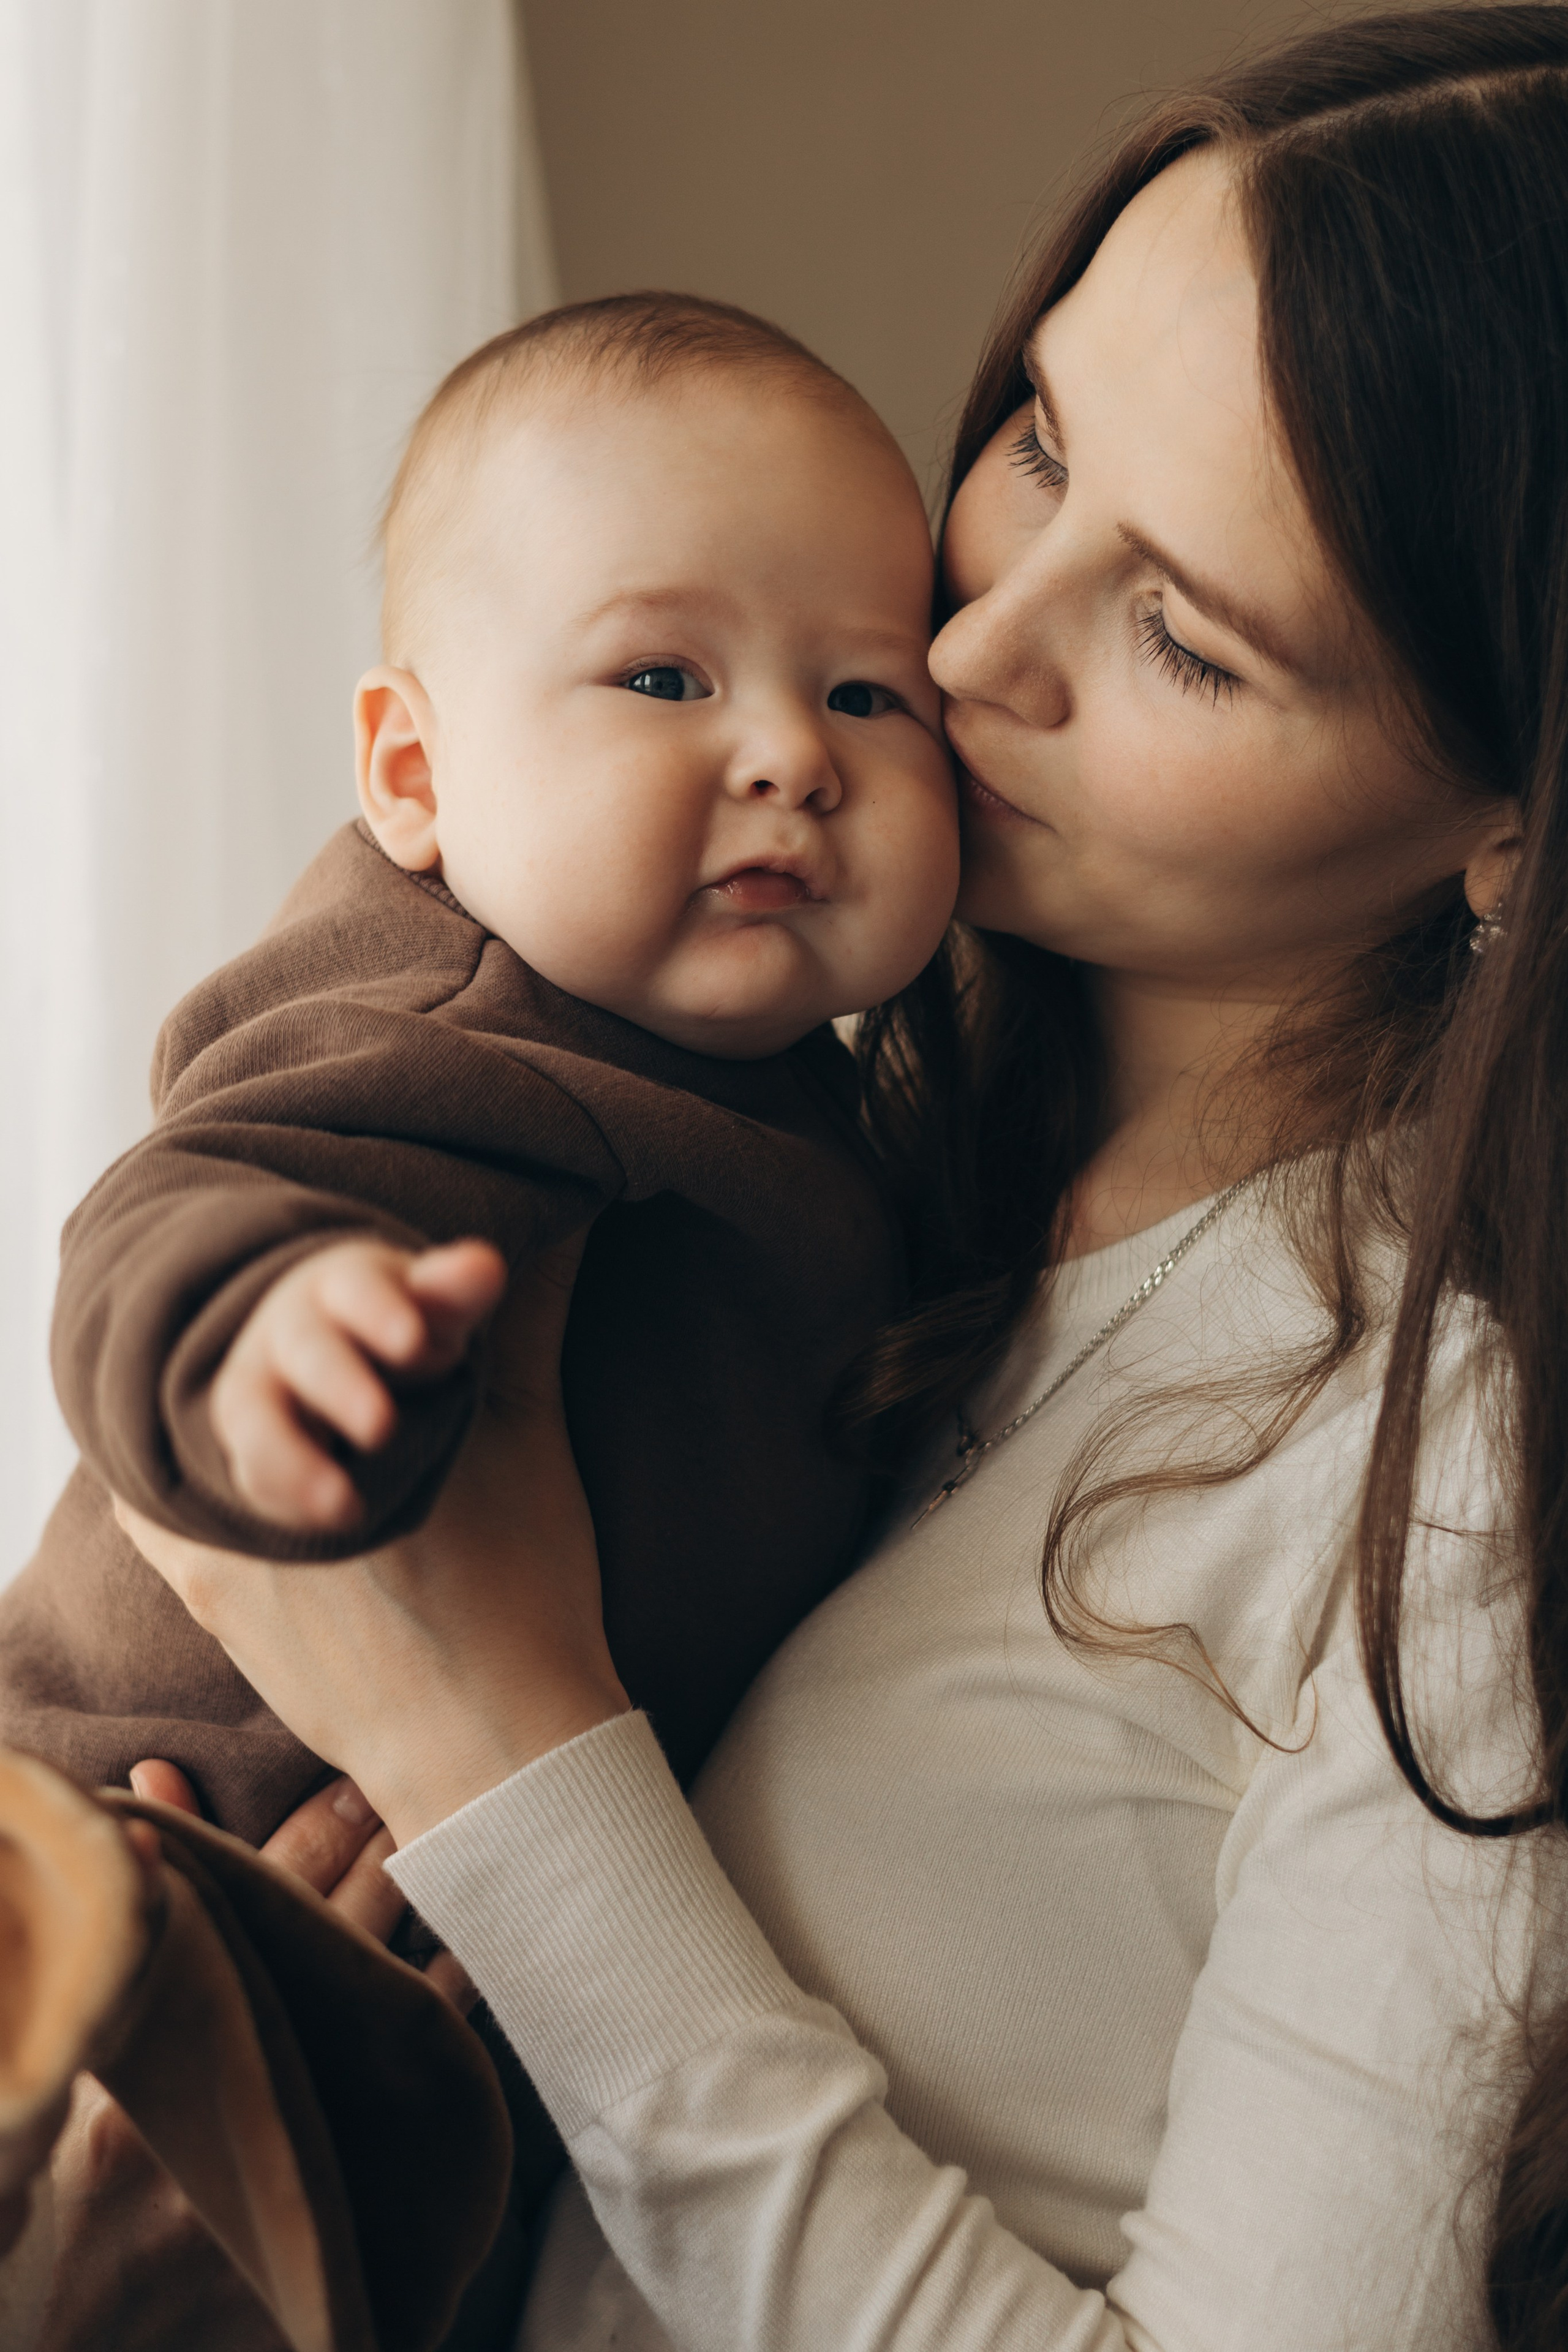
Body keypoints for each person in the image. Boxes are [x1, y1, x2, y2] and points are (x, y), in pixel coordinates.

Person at [116, 5, 1568, 2346]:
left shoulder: (1452, 1495)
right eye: (1037, 441)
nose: (975, 643)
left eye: (1185, 638)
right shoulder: (804, 1117)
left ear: (1517, 818)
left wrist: (504, 1752)